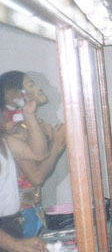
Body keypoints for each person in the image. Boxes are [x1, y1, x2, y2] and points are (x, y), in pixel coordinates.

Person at [0, 71, 66, 237]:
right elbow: (36, 176)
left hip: (30, 210)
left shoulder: (28, 124)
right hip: (20, 214)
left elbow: (40, 154)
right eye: (30, 85)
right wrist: (57, 146)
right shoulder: (15, 132)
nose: (40, 89)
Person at [0, 90, 48, 252]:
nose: (13, 114)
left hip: (10, 226)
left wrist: (30, 115)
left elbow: (39, 153)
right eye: (8, 109)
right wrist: (12, 245)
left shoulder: (6, 142)